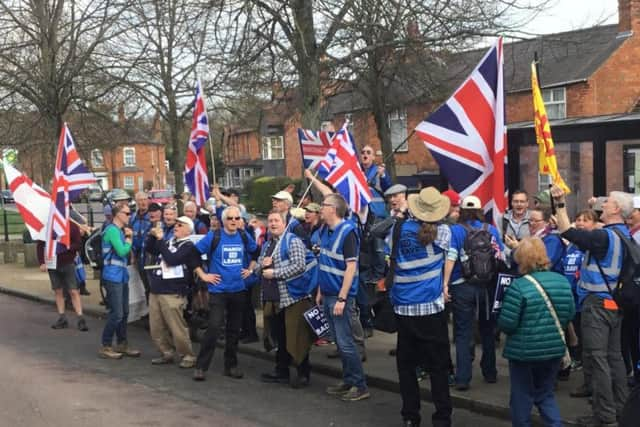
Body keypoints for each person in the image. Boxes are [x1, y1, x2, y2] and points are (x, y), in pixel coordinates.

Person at [550, 186, 630, 427]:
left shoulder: (603, 236)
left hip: (597, 304)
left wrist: (561, 203)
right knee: (614, 358)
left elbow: (567, 231)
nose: (602, 204)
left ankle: (604, 415)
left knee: (598, 360)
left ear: (616, 209)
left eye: (607, 203)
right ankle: (621, 409)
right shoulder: (623, 233)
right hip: (615, 303)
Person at [498, 237, 575, 427]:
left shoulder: (519, 286)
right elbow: (569, 313)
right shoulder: (562, 281)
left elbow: (508, 324)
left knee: (521, 398)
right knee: (545, 394)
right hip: (554, 349)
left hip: (524, 353)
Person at [392, 187, 453, 427]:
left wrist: (402, 215)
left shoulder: (400, 229)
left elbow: (378, 236)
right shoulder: (444, 232)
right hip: (431, 308)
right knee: (438, 367)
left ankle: (410, 416)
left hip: (404, 307)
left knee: (406, 367)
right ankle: (442, 417)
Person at [443, 195, 504, 391]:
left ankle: (463, 378)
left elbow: (451, 258)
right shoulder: (491, 230)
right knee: (488, 330)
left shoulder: (456, 230)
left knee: (462, 332)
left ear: (461, 210)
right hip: (486, 287)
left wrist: (445, 284)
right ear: (480, 210)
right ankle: (490, 372)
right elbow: (500, 255)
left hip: (462, 286)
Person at [192, 206, 258, 381]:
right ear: (223, 220)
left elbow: (256, 252)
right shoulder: (214, 236)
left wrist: (250, 269)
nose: (234, 221)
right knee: (213, 327)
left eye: (237, 218)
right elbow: (193, 254)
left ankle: (231, 366)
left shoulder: (244, 236)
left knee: (234, 330)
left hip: (238, 289)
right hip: (218, 290)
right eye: (230, 218)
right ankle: (201, 366)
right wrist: (203, 275)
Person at [317, 193, 370, 401]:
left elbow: (350, 267)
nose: (321, 208)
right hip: (329, 293)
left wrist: (342, 298)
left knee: (346, 343)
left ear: (333, 209)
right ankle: (349, 380)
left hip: (340, 297)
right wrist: (321, 290)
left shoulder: (347, 232)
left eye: (324, 205)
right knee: (339, 342)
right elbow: (326, 262)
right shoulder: (326, 231)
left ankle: (359, 385)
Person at [259, 210, 317, 388]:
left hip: (293, 297)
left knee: (297, 337)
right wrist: (262, 265)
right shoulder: (267, 244)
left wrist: (274, 273)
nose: (273, 224)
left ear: (285, 224)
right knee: (280, 337)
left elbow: (299, 266)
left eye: (277, 221)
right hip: (273, 299)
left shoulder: (293, 241)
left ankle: (303, 373)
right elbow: (259, 269)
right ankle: (281, 371)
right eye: (270, 221)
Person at [145, 216, 200, 368]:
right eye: (176, 224)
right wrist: (152, 236)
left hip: (172, 290)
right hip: (157, 288)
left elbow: (172, 259)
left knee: (176, 326)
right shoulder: (169, 242)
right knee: (156, 326)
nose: (176, 226)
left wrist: (161, 240)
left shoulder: (188, 246)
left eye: (180, 225)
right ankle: (166, 352)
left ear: (188, 230)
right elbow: (151, 249)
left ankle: (187, 355)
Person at [564, 210, 599, 398]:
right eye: (578, 220)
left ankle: (591, 381)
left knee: (589, 341)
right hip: (570, 297)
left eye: (586, 220)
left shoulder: (590, 245)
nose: (580, 223)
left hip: (586, 298)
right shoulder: (570, 246)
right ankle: (580, 365)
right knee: (576, 333)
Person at [99, 205, 141, 359]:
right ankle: (106, 345)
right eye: (127, 213)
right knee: (116, 313)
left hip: (122, 275)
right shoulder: (111, 231)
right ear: (118, 215)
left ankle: (122, 344)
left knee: (124, 312)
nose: (130, 216)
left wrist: (129, 239)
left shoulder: (119, 231)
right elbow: (122, 251)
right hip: (112, 276)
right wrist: (129, 239)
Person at [37, 222, 88, 332]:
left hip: (68, 262)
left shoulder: (71, 226)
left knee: (73, 291)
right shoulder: (47, 226)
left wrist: (65, 246)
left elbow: (78, 244)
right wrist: (41, 262)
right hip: (52, 263)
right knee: (58, 290)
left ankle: (80, 318)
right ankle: (62, 317)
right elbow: (40, 245)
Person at [505, 207, 565, 274]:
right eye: (530, 220)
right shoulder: (528, 239)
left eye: (536, 221)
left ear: (547, 223)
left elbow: (543, 265)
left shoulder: (552, 240)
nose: (531, 223)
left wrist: (518, 248)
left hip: (547, 280)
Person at [130, 191, 152, 299]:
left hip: (149, 254)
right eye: (140, 200)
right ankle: (148, 309)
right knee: (144, 283)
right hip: (138, 255)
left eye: (144, 199)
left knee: (151, 282)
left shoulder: (152, 216)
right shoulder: (133, 217)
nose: (142, 202)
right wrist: (132, 255)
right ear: (136, 202)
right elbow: (129, 236)